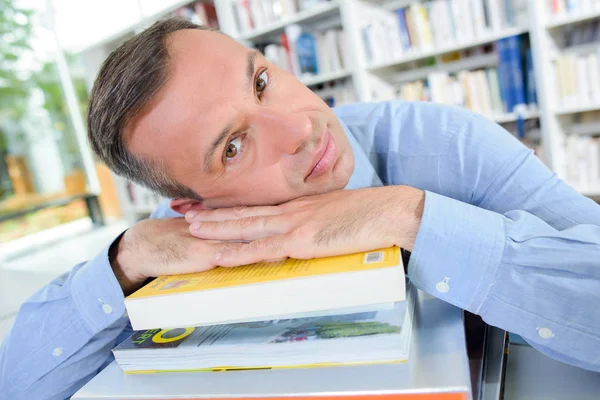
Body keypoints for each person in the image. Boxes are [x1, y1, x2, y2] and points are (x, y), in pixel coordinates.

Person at [1, 17, 599, 399]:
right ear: (191, 203)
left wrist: (408, 216)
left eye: (261, 82)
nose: (300, 128)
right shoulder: (187, 237)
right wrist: (124, 259)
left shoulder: (442, 144)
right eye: (233, 147)